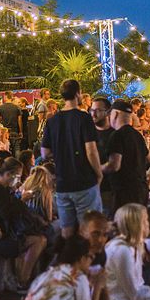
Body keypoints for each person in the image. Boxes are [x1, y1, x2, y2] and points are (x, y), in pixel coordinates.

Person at [41, 80, 102, 237]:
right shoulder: (84, 118)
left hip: (62, 183)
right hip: (84, 181)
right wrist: (99, 172)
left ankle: (69, 257)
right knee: (87, 228)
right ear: (77, 94)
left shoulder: (52, 121)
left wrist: (62, 152)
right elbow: (91, 151)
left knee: (67, 230)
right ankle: (86, 259)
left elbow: (44, 153)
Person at [16, 234, 117, 300]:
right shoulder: (77, 277)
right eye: (90, 257)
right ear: (82, 258)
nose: (91, 262)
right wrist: (97, 287)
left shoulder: (44, 275)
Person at [0, 158, 48, 288]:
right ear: (8, 174)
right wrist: (21, 200)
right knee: (39, 241)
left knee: (40, 236)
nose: (18, 180)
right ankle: (23, 280)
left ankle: (24, 278)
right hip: (1, 237)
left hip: (7, 233)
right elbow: (6, 213)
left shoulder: (2, 189)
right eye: (17, 176)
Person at [104, 100, 150, 215]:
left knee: (124, 226)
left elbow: (114, 165)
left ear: (115, 114)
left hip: (124, 192)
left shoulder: (116, 135)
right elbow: (149, 158)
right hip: (141, 189)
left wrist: (96, 168)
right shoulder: (138, 135)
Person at [91, 97, 116, 214]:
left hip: (109, 189)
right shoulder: (87, 134)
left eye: (97, 110)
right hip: (90, 189)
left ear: (108, 112)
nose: (93, 114)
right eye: (92, 110)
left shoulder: (115, 135)